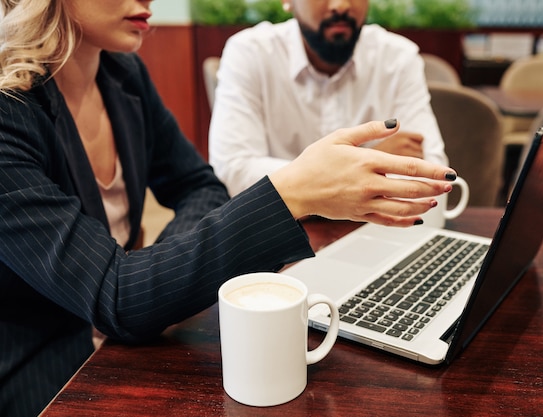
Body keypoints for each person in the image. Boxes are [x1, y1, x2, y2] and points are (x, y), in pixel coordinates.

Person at [0, 1, 457, 415]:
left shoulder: (122, 75)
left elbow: (198, 184)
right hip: (49, 364)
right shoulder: (8, 114)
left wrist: (156, 273)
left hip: (141, 335)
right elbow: (118, 297)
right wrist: (291, 191)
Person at [209, 0, 448, 196]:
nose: (341, 5)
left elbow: (431, 171)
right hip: (281, 238)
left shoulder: (398, 58)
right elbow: (233, 172)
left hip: (379, 231)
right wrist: (368, 161)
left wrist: (298, 182)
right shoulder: (251, 53)